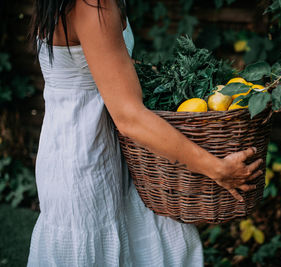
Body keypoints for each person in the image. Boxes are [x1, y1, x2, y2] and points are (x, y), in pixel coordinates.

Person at [27, 0, 263, 266]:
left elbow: (108, 67)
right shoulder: (92, 5)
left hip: (109, 150)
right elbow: (129, 117)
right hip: (86, 162)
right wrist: (215, 168)